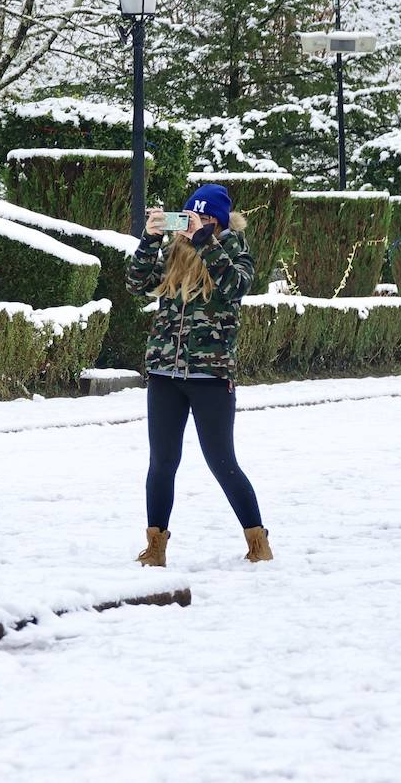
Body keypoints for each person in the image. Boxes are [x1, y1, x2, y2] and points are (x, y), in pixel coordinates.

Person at [125, 183, 272, 566]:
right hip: (164, 372)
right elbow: (136, 284)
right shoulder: (174, 251)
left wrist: (205, 241)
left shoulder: (235, 254)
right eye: (192, 217)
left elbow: (232, 288)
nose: (197, 225)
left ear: (220, 223)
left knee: (222, 461)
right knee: (162, 463)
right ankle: (155, 546)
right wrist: (150, 240)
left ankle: (258, 540)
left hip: (210, 375)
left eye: (206, 219)